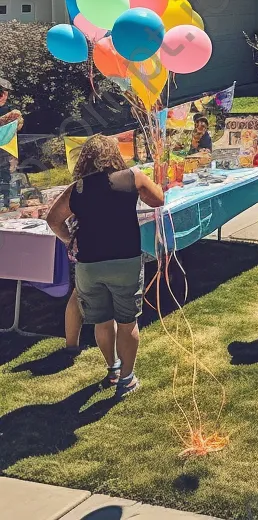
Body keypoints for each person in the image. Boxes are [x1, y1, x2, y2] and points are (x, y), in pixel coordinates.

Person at [45, 134, 165, 397]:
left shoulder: (76, 188)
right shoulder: (132, 177)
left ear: (84, 159)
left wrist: (70, 240)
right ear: (114, 154)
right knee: (127, 322)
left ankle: (113, 369)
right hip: (125, 260)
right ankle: (127, 379)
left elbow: (53, 219)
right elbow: (158, 200)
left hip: (89, 263)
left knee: (101, 321)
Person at [0, 77, 24, 209]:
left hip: (6, 148)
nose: (3, 96)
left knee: (5, 174)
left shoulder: (10, 109)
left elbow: (19, 125)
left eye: (5, 93)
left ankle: (6, 201)